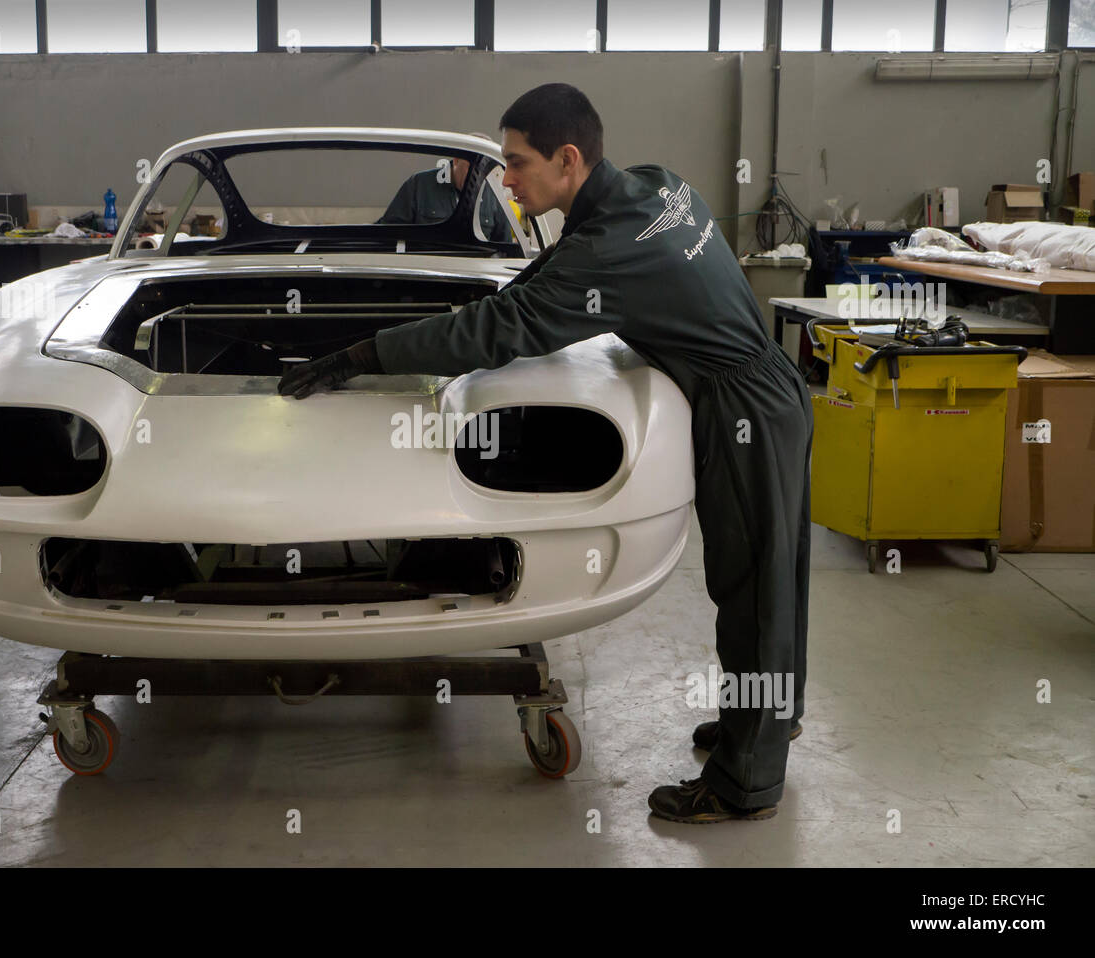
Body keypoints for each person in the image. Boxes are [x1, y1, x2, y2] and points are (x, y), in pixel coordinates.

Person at [279, 83, 812, 824]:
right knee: (776, 576)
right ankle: (769, 721)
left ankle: (744, 781)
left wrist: (365, 353)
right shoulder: (654, 187)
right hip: (768, 389)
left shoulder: (610, 247)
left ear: (568, 160)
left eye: (518, 163)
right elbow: (548, 281)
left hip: (742, 410)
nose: (506, 180)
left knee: (753, 588)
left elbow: (505, 331)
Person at [377, 134, 514, 242]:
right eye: (471, 168)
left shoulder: (494, 194)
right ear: (456, 160)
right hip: (428, 270)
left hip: (475, 272)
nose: (477, 177)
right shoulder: (419, 184)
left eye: (483, 171)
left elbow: (505, 246)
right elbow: (389, 232)